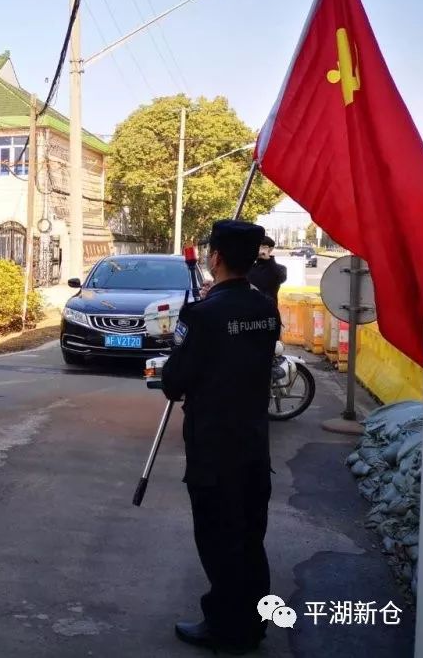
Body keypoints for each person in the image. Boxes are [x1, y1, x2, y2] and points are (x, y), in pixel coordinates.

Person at [161, 220, 281, 655]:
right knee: (250, 538)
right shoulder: (267, 308)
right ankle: (253, 623)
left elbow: (175, 381)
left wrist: (180, 341)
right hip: (253, 443)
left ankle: (226, 629)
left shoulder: (203, 313)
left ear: (215, 258)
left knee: (218, 540)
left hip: (214, 448)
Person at [247, 235, 287, 304]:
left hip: (268, 310)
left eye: (263, 247)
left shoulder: (280, 268)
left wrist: (268, 259)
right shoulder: (247, 267)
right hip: (248, 309)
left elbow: (281, 278)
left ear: (270, 249)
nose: (259, 249)